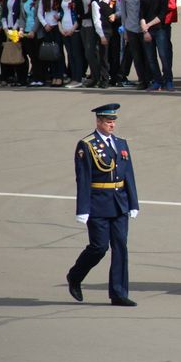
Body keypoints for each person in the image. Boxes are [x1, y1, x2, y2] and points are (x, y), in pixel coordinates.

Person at [67, 104, 140, 307]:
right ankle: (75, 276)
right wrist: (82, 209)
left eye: (113, 121)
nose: (111, 125)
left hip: (119, 203)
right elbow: (83, 178)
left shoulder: (121, 143)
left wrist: (133, 202)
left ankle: (118, 293)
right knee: (99, 247)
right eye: (108, 122)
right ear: (98, 122)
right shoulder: (87, 145)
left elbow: (129, 176)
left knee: (120, 247)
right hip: (98, 203)